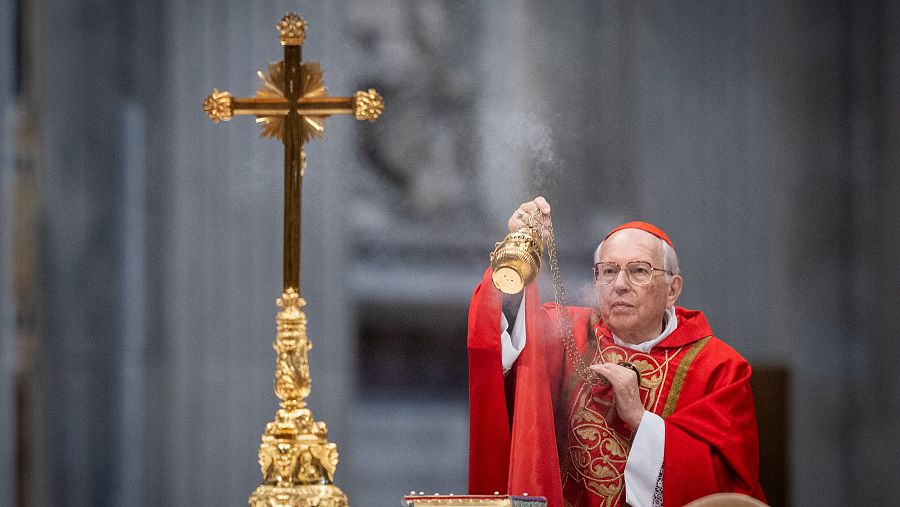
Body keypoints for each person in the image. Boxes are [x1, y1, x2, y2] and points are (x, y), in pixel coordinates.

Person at [467, 197, 766, 507]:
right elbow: (500, 332)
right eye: (608, 271)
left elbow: (725, 486)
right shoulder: (564, 332)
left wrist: (640, 419)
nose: (620, 284)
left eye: (639, 271)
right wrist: (518, 252)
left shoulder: (720, 369)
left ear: (672, 290)